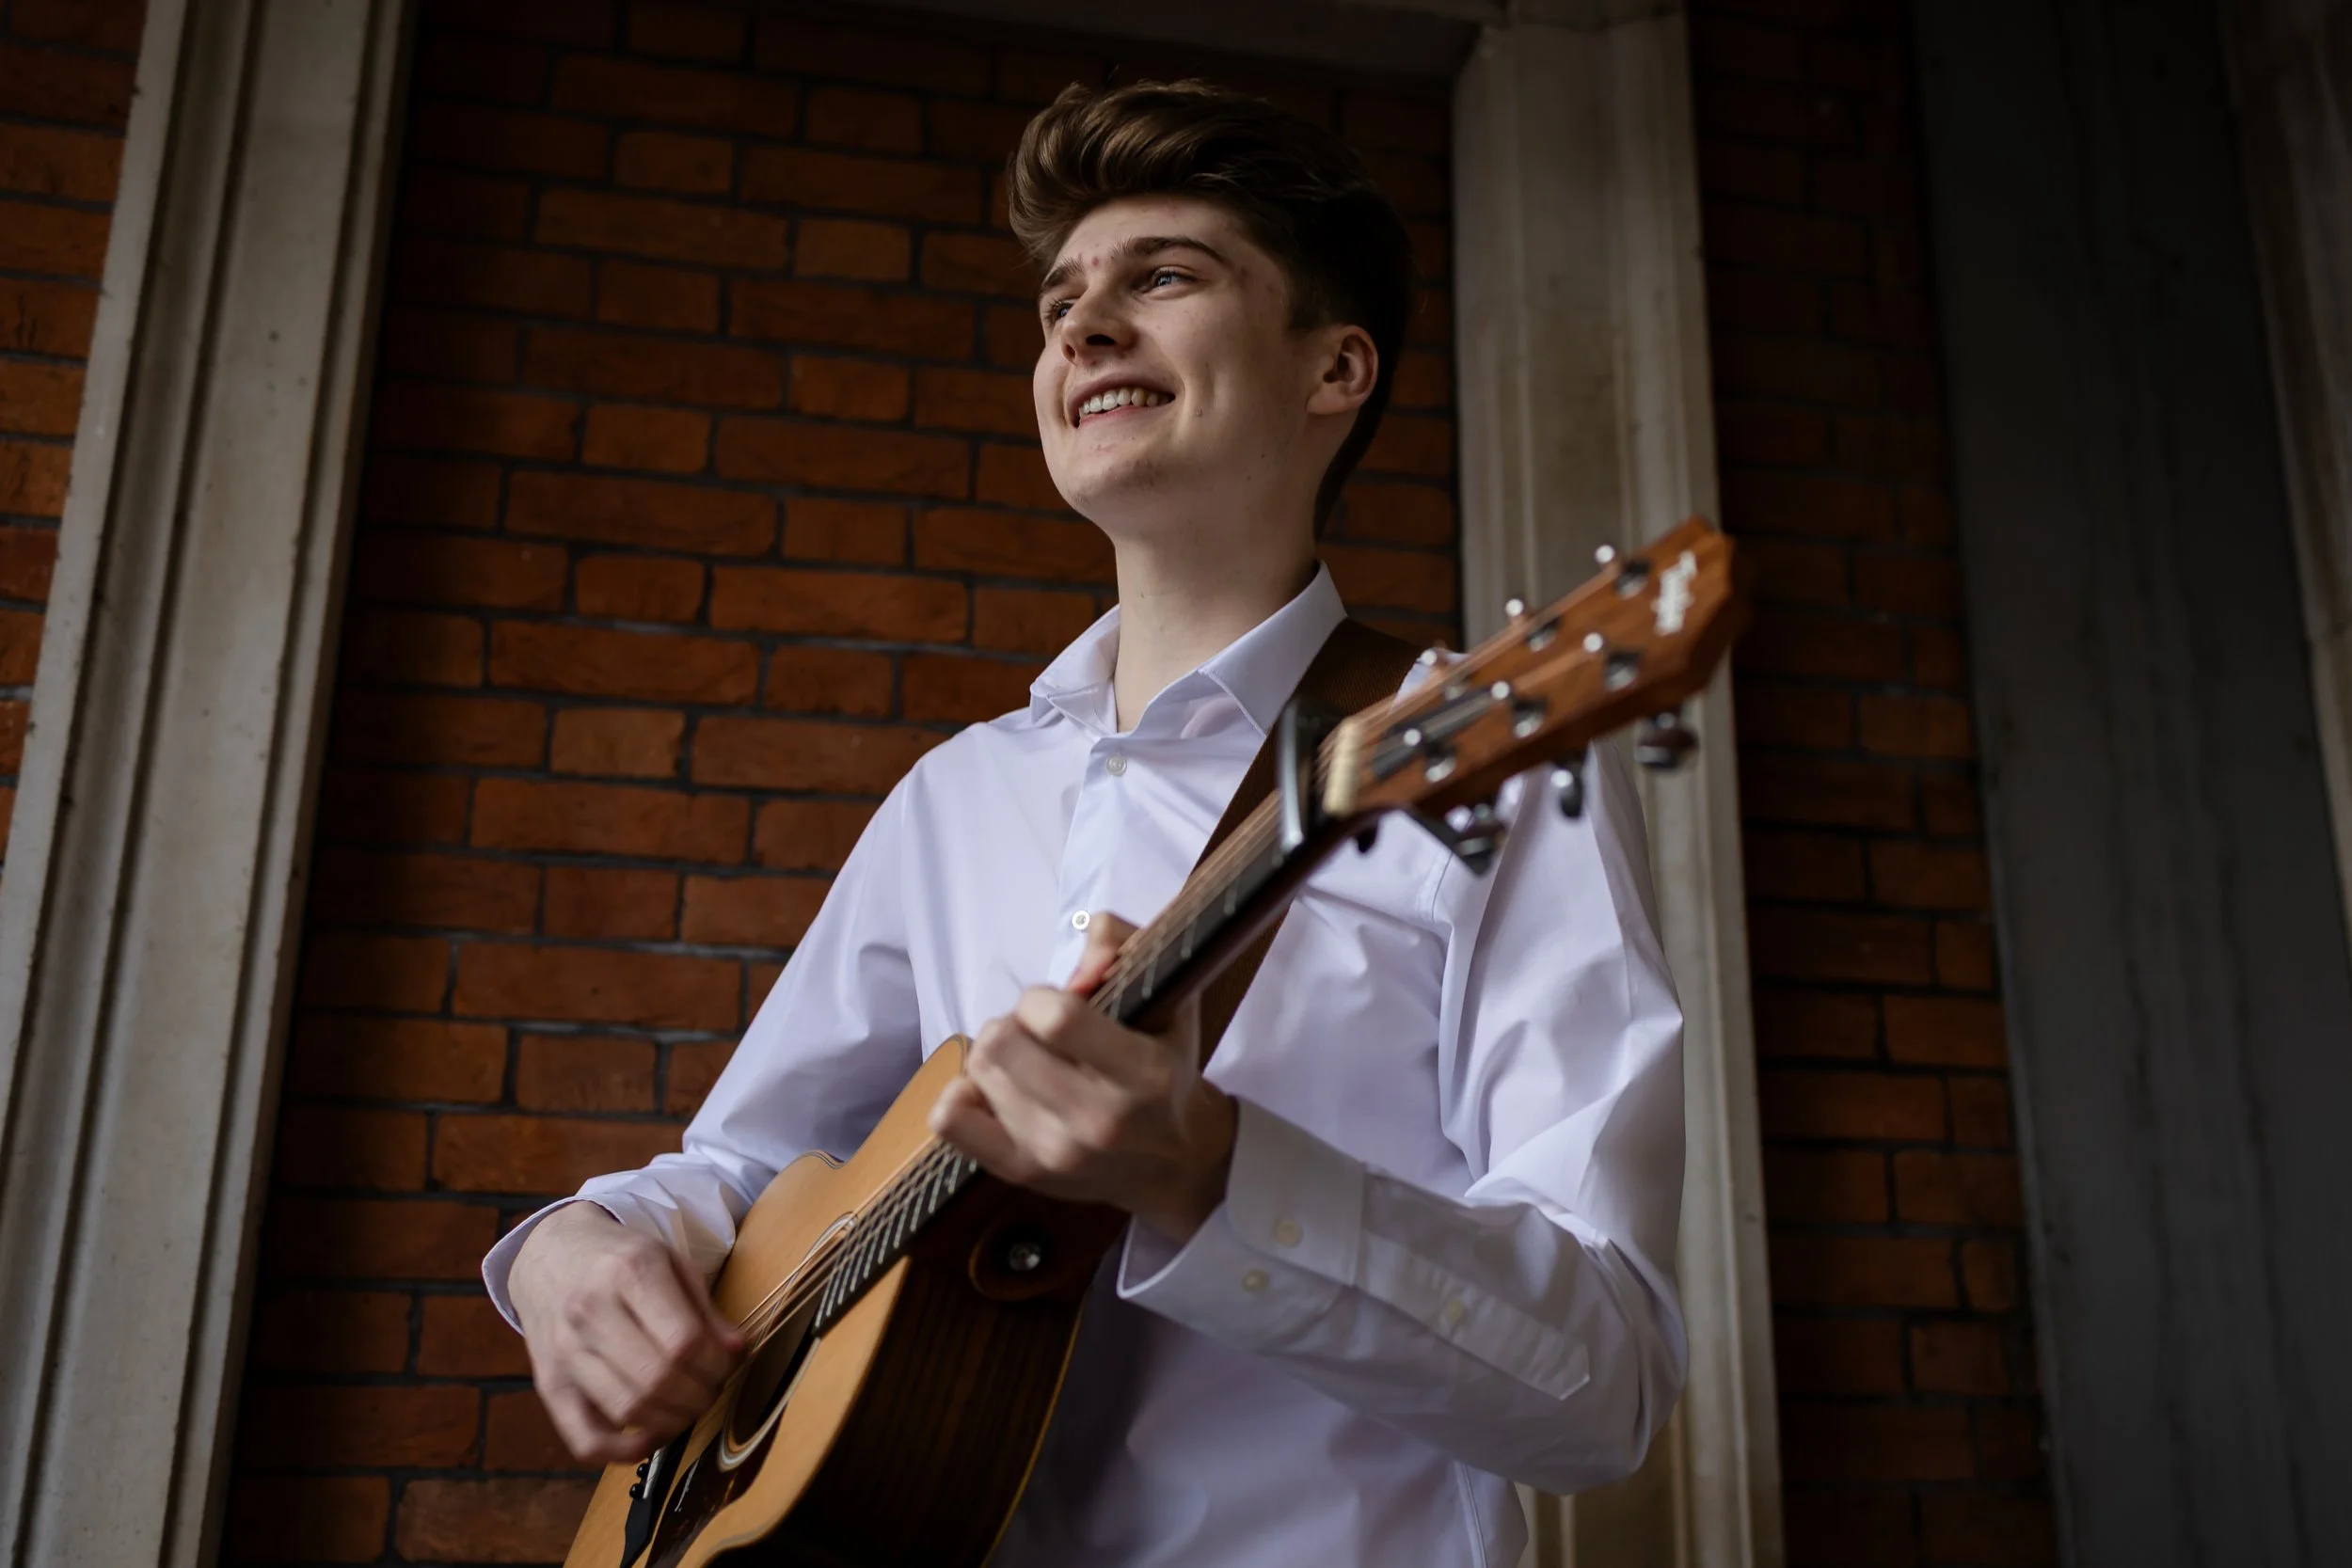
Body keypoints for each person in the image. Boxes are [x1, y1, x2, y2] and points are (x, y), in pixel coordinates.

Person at [485, 78, 1687, 1567]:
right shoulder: (957, 794)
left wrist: (1208, 1172)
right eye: (1061, 300)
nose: (1082, 328)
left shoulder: (1474, 761)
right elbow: (746, 1178)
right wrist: (568, 1252)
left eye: (1162, 276)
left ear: (1336, 369)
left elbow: (1609, 1379)